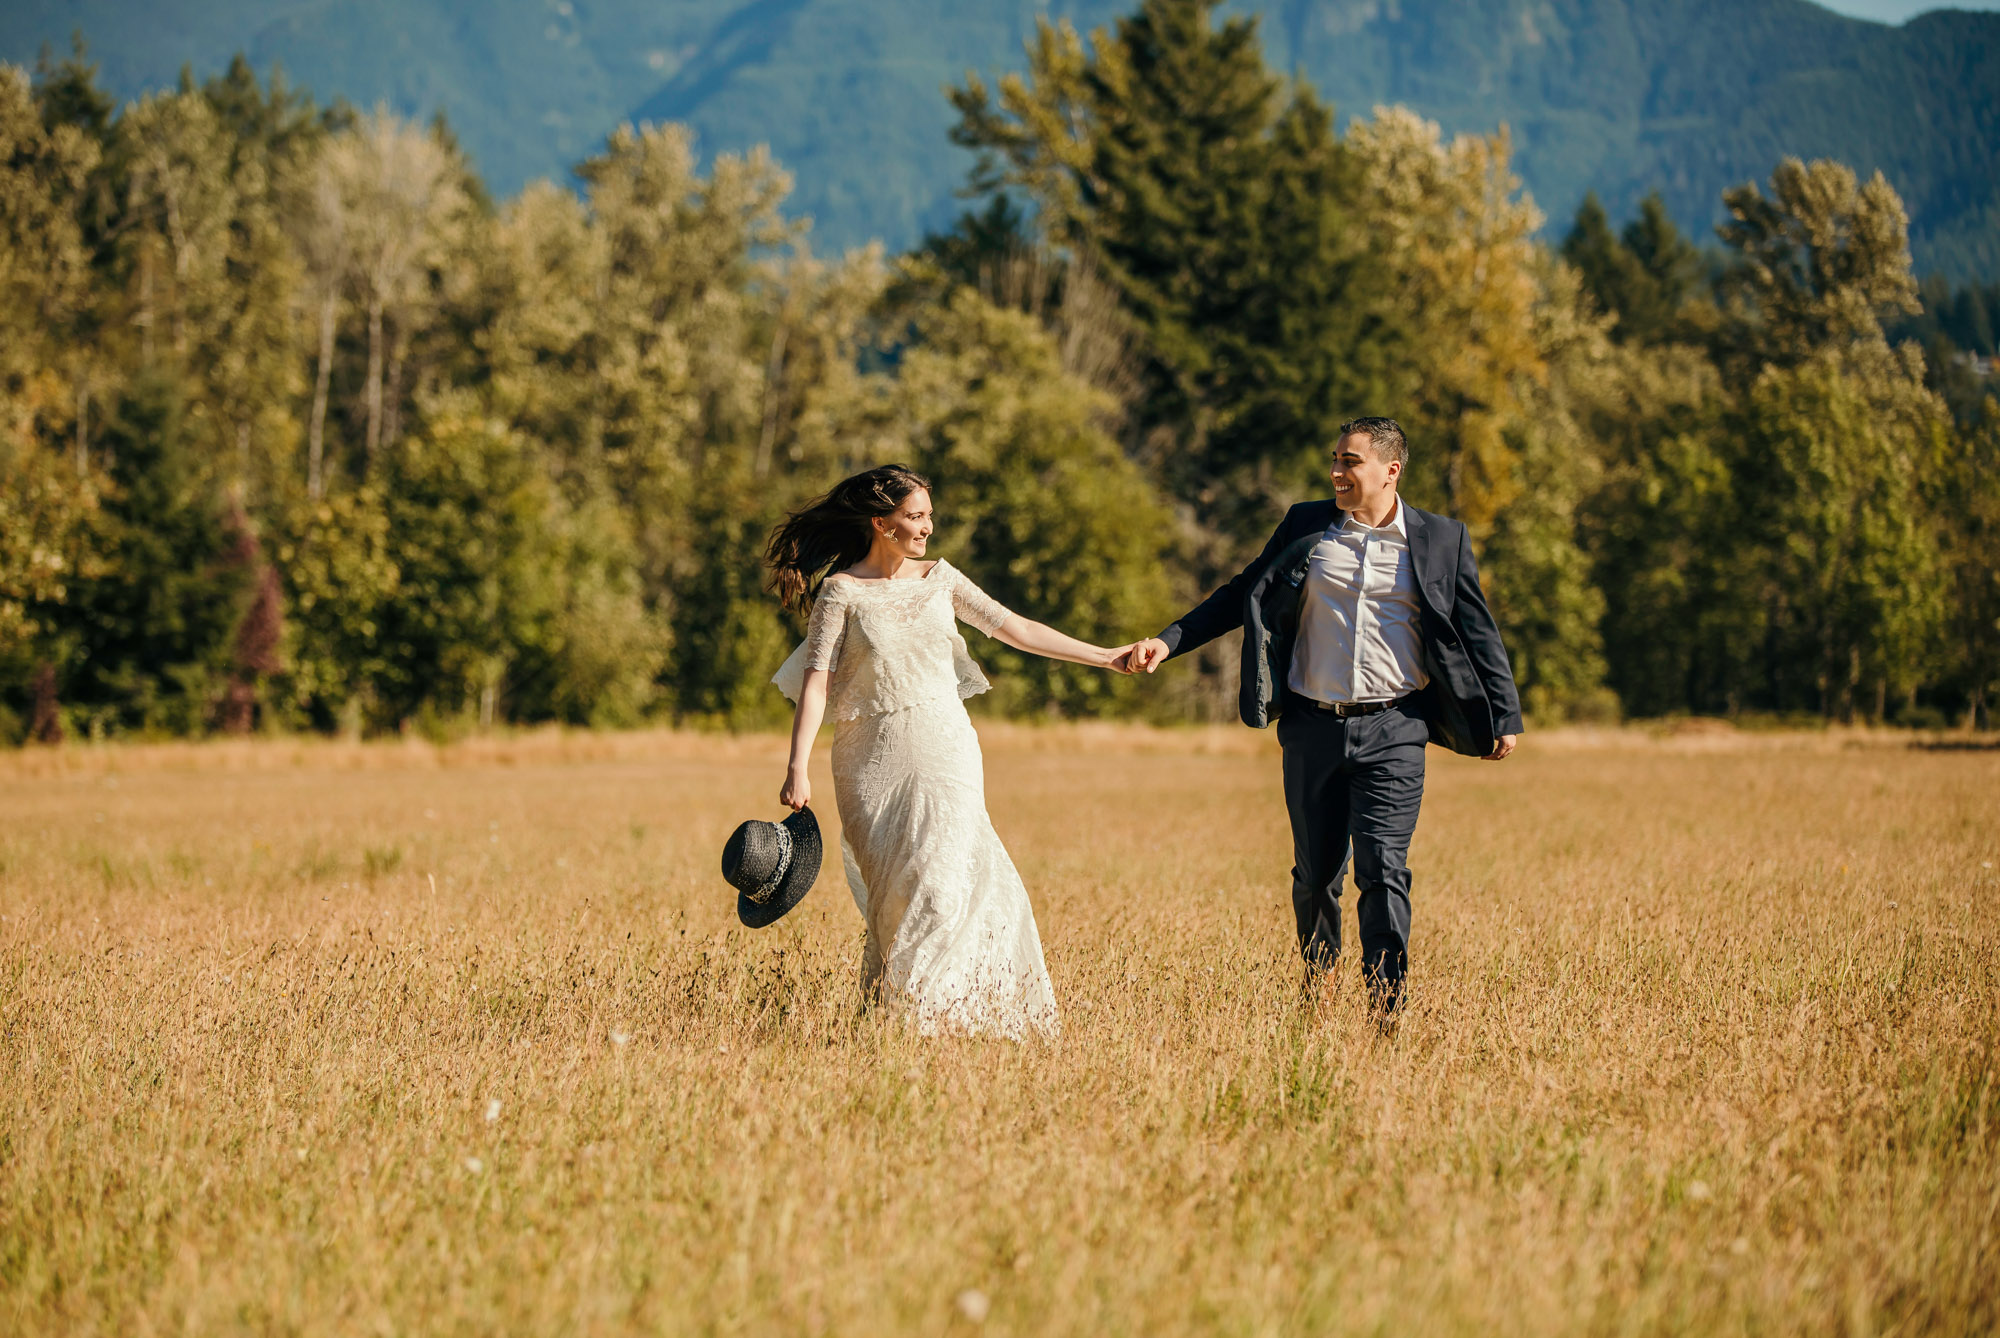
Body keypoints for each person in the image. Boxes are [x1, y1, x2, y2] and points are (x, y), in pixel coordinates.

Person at [1123, 418, 1522, 1023]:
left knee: (1384, 868)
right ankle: (1320, 980)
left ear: (1391, 471)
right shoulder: (1307, 525)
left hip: (1396, 726)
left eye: (1351, 462)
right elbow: (1242, 593)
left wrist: (1504, 713)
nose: (1337, 471)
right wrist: (1170, 640)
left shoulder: (1440, 539)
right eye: (1335, 460)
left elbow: (1476, 627)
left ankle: (1386, 1005)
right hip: (1312, 726)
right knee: (1316, 876)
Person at [767, 464, 1138, 1038]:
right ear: (879, 522)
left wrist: (1104, 656)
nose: (927, 529)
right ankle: (894, 1025)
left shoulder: (941, 578)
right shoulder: (842, 593)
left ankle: (940, 1021)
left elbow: (1015, 627)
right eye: (915, 517)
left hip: (946, 744)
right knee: (899, 894)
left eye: (929, 516)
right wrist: (797, 765)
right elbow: (816, 682)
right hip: (870, 759)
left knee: (945, 883)